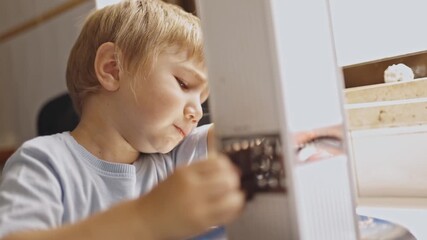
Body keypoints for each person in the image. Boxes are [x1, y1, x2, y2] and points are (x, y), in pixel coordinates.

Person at [0, 0, 245, 239]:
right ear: (112, 68)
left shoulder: (173, 157)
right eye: (183, 84)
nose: (198, 112)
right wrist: (146, 219)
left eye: (202, 99)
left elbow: (255, 130)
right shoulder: (44, 162)